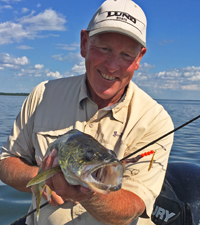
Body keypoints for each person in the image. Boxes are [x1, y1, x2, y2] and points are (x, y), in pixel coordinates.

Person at [0, 0, 174, 225]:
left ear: (139, 58)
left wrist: (86, 194)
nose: (112, 66)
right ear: (84, 43)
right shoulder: (43, 95)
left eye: (126, 54)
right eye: (104, 48)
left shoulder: (155, 120)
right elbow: (6, 162)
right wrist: (42, 178)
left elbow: (135, 205)